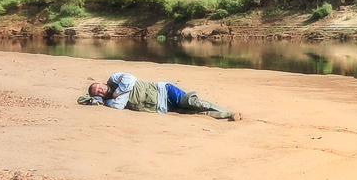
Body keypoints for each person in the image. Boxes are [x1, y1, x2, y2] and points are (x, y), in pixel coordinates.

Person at [79, 72, 242, 120]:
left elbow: (130, 79)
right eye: (97, 93)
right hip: (161, 107)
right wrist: (98, 100)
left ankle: (230, 112)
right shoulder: (109, 101)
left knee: (193, 103)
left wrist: (116, 92)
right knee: (195, 112)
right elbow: (118, 106)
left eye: (98, 87)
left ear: (101, 82)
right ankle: (225, 116)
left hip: (164, 90)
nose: (100, 91)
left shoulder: (114, 78)